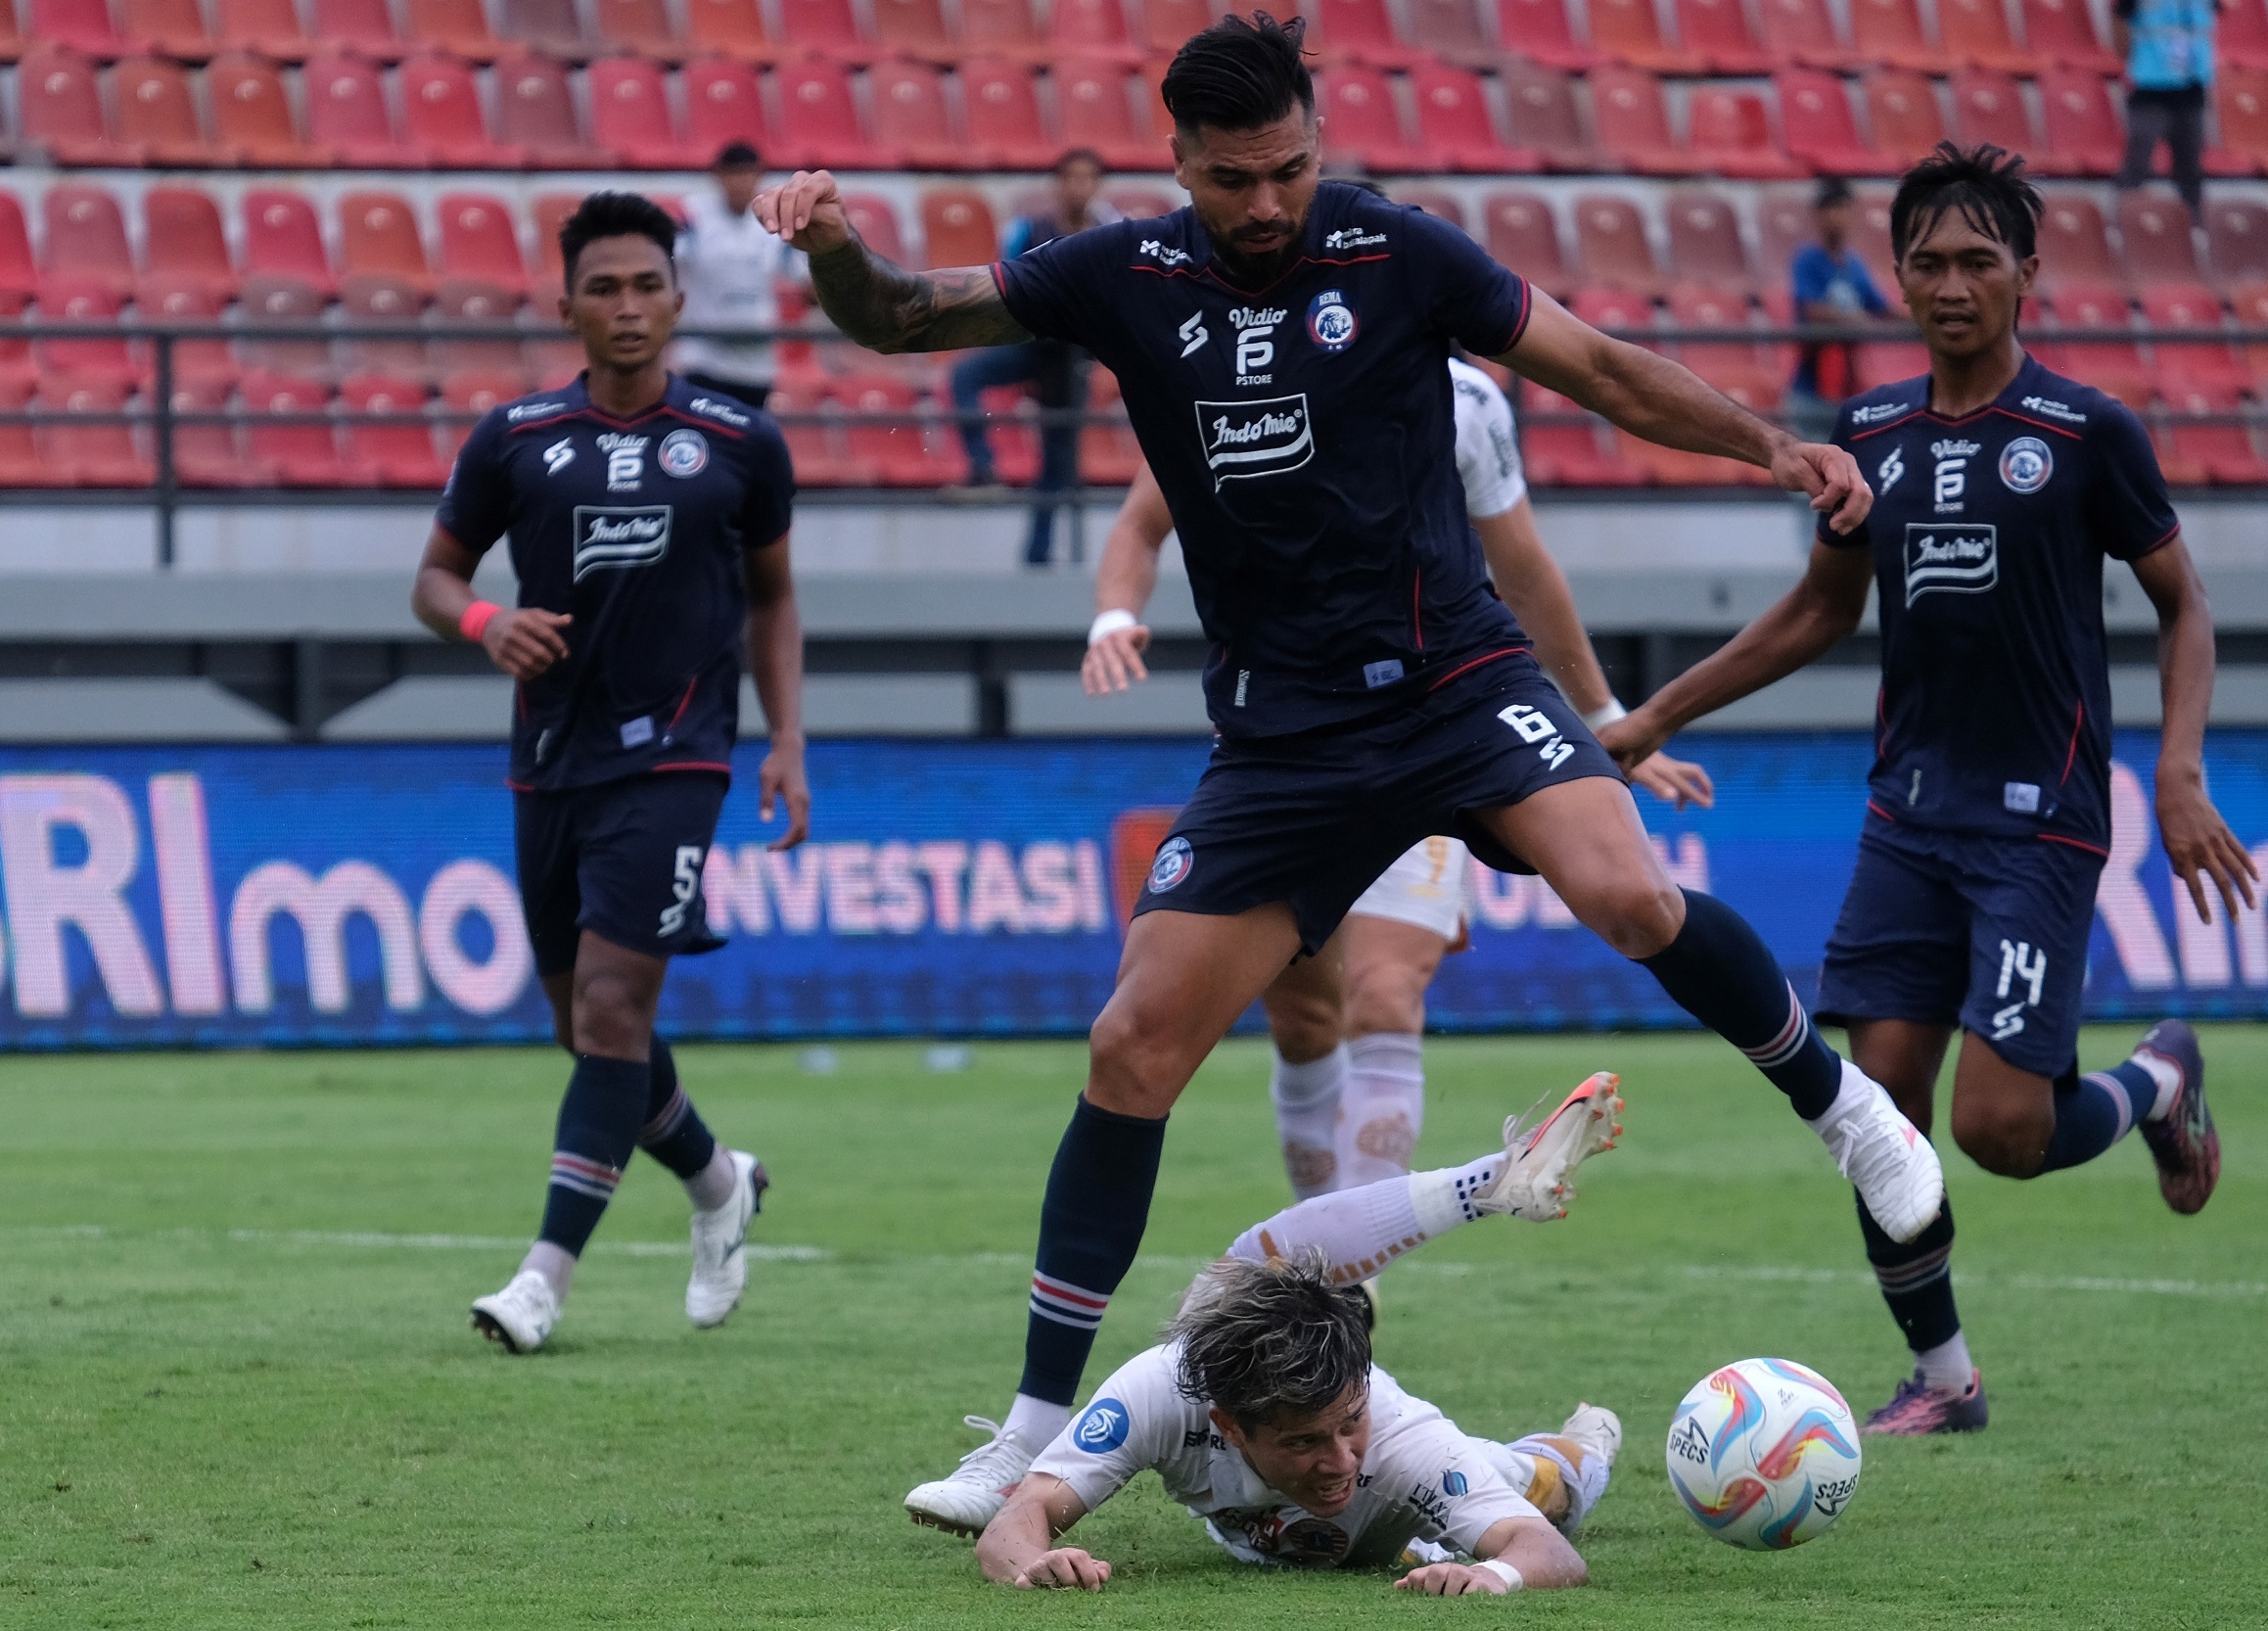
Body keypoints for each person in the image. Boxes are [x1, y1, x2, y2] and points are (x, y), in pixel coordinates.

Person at [755, 13, 1944, 1534]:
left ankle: (1846, 1112)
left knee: (1629, 889)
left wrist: (1772, 449)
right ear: (1177, 161)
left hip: (1456, 675)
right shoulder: (1118, 274)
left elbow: (1596, 366)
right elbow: (902, 319)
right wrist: (834, 247)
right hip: (1286, 737)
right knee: (1131, 1049)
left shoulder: (1399, 254)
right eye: (1237, 177)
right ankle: (1030, 1434)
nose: (1270, 202)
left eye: (1292, 169)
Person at [1605, 145, 2262, 1436]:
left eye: (1978, 260)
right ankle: (1944, 1375)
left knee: (2005, 1129)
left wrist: (2177, 771)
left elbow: (2185, 605)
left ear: (2027, 273)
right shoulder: (1867, 436)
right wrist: (1649, 718)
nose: (1952, 283)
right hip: (1907, 816)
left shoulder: (2086, 433)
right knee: (1879, 1106)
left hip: (2040, 823)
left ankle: (2159, 1082)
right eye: (1928, 261)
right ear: (1895, 276)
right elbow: (1815, 613)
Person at [1082, 353, 1714, 1205]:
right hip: (1295, 750)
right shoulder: (1237, 384)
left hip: (1435, 733)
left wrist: (1604, 720)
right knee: (1305, 1021)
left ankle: (1351, 1285)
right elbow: (1138, 524)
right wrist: (1116, 616)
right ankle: (1321, 1243)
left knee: (1383, 995)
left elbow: (1522, 567)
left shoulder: (1463, 397)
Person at [410, 192, 808, 1353]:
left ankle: (542, 1277)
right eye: (604, 287)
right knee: (585, 1030)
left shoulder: (740, 441)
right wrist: (486, 619)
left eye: (646, 285)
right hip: (549, 760)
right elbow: (433, 580)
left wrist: (785, 741)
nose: (627, 307)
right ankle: (717, 1179)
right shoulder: (515, 438)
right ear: (566, 302)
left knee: (612, 1005)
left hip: (682, 755)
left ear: (680, 299)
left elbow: (775, 598)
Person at [976, 1084, 1624, 1594]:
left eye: (1349, 1426)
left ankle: (1581, 1444)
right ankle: (1487, 1181)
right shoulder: (1160, 1391)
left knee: (1541, 1488)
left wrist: (1492, 1575)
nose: (1341, 1459)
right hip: (1291, 1530)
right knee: (1233, 1279)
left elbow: (1547, 1552)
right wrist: (1034, 1565)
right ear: (1228, 1426)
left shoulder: (1402, 1440)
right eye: (1304, 1441)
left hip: (1425, 1498)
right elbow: (1018, 1520)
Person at [948, 149, 1113, 566]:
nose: (1078, 186)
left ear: (1097, 185)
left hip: (1072, 356)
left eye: (1087, 178)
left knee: (1057, 462)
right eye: (1070, 177)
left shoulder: (1110, 233)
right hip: (1030, 342)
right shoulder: (1028, 230)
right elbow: (1008, 282)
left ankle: (1038, 555)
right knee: (965, 376)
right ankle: (983, 467)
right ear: (1057, 183)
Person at [673, 142, 795, 408]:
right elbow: (667, 262)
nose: (741, 182)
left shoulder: (774, 219)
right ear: (718, 176)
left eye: (748, 173)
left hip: (756, 364)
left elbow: (803, 278)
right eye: (734, 173)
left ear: (759, 176)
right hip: (704, 361)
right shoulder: (694, 215)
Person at [1786, 177, 1896, 443]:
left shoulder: (1854, 264)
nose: (1838, 217)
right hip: (1812, 390)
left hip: (1847, 387)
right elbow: (1812, 311)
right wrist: (1857, 319)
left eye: (1843, 209)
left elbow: (1881, 308)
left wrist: (1919, 316)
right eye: (1831, 209)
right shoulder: (1807, 260)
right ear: (1818, 215)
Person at [2113, 0, 2212, 214]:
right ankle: (2123, 218)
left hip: (2191, 88)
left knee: (2190, 164)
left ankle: (2195, 224)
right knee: (2139, 157)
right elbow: (2120, 21)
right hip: (2151, 86)